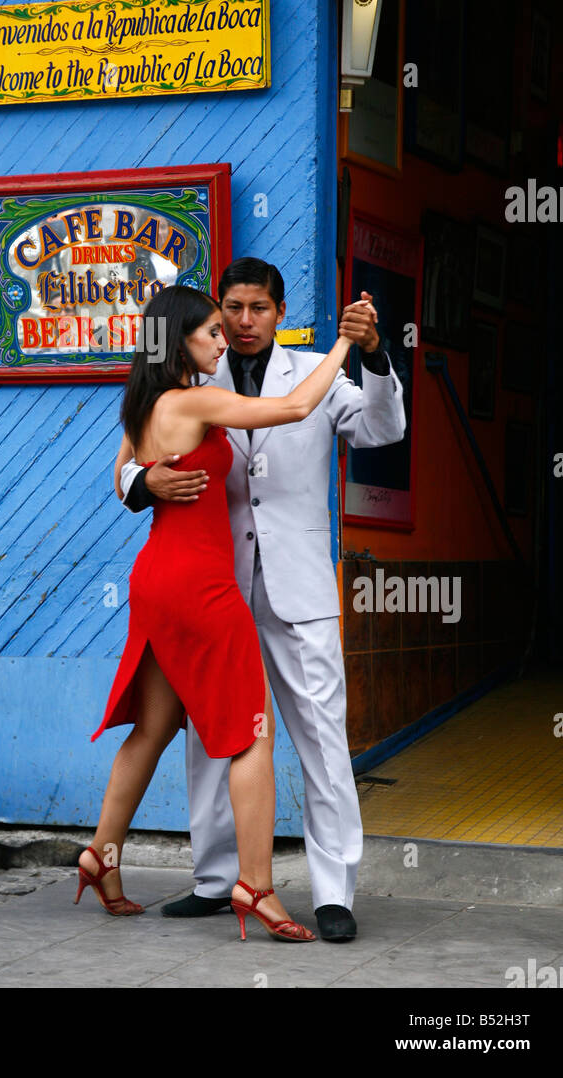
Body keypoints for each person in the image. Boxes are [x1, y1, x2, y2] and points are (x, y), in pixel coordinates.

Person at [118, 259, 406, 942]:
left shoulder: (313, 371)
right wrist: (144, 484)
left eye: (257, 309)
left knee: (320, 739)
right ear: (217, 312)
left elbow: (379, 430)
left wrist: (372, 352)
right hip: (214, 586)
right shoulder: (193, 370)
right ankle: (217, 881)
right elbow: (128, 462)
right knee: (211, 736)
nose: (242, 323)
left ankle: (333, 891)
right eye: (232, 309)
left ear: (278, 311)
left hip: (298, 586)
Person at [78, 285, 355, 942]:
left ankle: (101, 856)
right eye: (209, 330)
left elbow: (124, 473)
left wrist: (146, 479)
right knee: (248, 735)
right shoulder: (193, 399)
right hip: (202, 586)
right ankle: (255, 888)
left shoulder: (142, 404)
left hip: (155, 579)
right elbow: (291, 405)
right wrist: (342, 342)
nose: (222, 338)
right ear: (179, 342)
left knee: (152, 726)